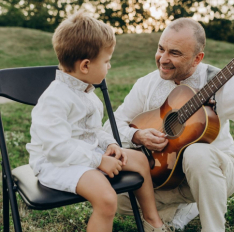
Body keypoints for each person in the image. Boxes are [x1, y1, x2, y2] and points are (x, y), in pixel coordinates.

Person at [103, 18, 234, 231]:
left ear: (198, 58)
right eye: (161, 49)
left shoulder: (217, 80)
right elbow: (111, 127)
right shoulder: (147, 83)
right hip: (165, 178)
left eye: (175, 53)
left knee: (196, 154)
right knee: (112, 193)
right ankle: (184, 211)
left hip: (216, 171)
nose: (163, 59)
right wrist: (137, 136)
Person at [26, 11, 173, 232]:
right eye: (106, 61)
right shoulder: (54, 99)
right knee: (106, 199)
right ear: (85, 66)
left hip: (87, 153)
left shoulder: (87, 93)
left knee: (141, 160)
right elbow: (57, 149)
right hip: (55, 163)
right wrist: (98, 161)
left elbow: (94, 130)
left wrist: (111, 145)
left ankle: (153, 222)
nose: (109, 66)